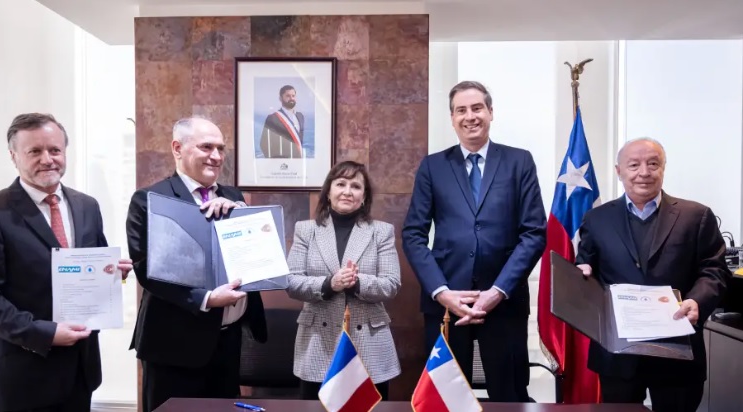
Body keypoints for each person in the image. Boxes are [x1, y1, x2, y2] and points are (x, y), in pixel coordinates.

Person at [0, 113, 133, 412]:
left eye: (55, 150)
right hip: (21, 378)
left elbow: (94, 266)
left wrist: (113, 274)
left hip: (81, 373)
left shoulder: (87, 206)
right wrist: (43, 334)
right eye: (35, 151)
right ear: (14, 156)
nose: (47, 159)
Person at [402, 80, 547, 402]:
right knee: (446, 399)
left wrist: (497, 291)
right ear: (452, 118)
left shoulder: (519, 162)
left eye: (477, 108)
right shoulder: (433, 166)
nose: (470, 116)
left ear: (491, 112)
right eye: (461, 110)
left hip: (504, 302)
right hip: (447, 304)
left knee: (510, 397)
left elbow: (534, 233)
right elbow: (413, 234)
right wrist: (441, 292)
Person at [576, 137, 730, 412]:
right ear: (619, 171)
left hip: (678, 351)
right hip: (618, 354)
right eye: (634, 165)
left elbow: (714, 269)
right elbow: (586, 265)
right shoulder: (596, 219)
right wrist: (581, 272)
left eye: (653, 164)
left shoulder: (696, 216)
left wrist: (697, 301)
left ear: (663, 168)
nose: (644, 172)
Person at [126, 116, 267, 411]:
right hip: (173, 347)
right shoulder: (149, 199)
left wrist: (241, 217)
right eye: (206, 147)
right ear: (177, 148)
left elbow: (250, 256)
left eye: (221, 148)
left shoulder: (233, 196)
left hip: (227, 343)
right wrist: (206, 299)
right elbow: (147, 270)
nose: (216, 156)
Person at [286, 161, 401, 400]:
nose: (348, 191)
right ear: (328, 192)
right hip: (318, 342)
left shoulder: (381, 231)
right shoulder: (306, 230)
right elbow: (291, 282)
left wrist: (356, 282)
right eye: (341, 184)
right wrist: (329, 284)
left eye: (356, 186)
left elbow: (391, 284)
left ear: (364, 196)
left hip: (368, 342)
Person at [260, 85, 305, 158]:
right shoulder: (273, 118)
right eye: (288, 96)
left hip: (298, 161)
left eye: (293, 96)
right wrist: (276, 161)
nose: (291, 98)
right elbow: (264, 144)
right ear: (280, 98)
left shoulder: (300, 117)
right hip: (281, 162)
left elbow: (300, 141)